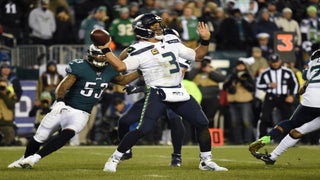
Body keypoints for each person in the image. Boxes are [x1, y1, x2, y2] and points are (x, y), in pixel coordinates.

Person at [98, 13, 228, 172]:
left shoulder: (171, 40)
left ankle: (206, 161)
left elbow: (198, 55)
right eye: (154, 25)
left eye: (158, 24)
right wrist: (106, 50)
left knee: (202, 122)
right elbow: (121, 67)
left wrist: (205, 40)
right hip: (157, 93)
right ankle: (114, 159)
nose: (158, 27)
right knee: (142, 129)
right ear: (143, 30)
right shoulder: (137, 49)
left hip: (177, 90)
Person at [7, 44, 140, 169]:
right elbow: (63, 85)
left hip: (82, 113)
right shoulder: (80, 66)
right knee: (40, 136)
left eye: (103, 55)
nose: (100, 57)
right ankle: (24, 159)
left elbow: (124, 80)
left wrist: (140, 71)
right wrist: (59, 100)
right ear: (90, 54)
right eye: (97, 54)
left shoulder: (110, 70)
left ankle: (34, 159)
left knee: (67, 134)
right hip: (64, 107)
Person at [249, 49, 320, 164]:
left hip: (310, 99)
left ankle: (269, 148)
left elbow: (305, 77)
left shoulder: (313, 62)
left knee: (294, 128)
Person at [254, 53, 299, 138]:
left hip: (284, 97)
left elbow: (294, 84)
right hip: (270, 97)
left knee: (288, 118)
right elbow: (258, 85)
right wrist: (268, 85)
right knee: (264, 118)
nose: (275, 63)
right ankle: (261, 139)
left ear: (280, 61)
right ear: (269, 62)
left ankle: (289, 139)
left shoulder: (287, 71)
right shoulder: (265, 73)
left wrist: (292, 96)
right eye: (273, 62)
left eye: (277, 61)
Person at [223, 61, 255, 144]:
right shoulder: (232, 76)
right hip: (233, 102)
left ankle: (248, 140)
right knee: (234, 122)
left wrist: (244, 81)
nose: (240, 68)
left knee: (246, 121)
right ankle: (237, 140)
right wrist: (232, 80)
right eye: (239, 66)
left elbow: (252, 88)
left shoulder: (248, 75)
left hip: (245, 101)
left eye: (242, 66)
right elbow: (224, 86)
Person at [0, 78, 16, 145]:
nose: (2, 88)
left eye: (3, 87)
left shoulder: (11, 95)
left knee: (9, 140)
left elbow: (11, 105)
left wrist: (3, 95)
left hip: (7, 122)